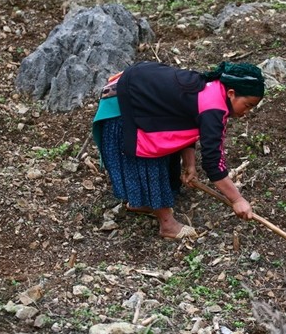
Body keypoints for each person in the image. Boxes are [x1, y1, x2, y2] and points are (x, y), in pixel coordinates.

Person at [92, 60, 265, 240]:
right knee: (152, 153)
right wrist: (237, 199)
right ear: (231, 93)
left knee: (164, 147)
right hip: (125, 104)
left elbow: (184, 123)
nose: (248, 112)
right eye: (248, 105)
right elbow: (213, 163)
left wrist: (190, 165)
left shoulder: (213, 89)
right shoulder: (213, 108)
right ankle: (167, 225)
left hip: (143, 94)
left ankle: (144, 201)